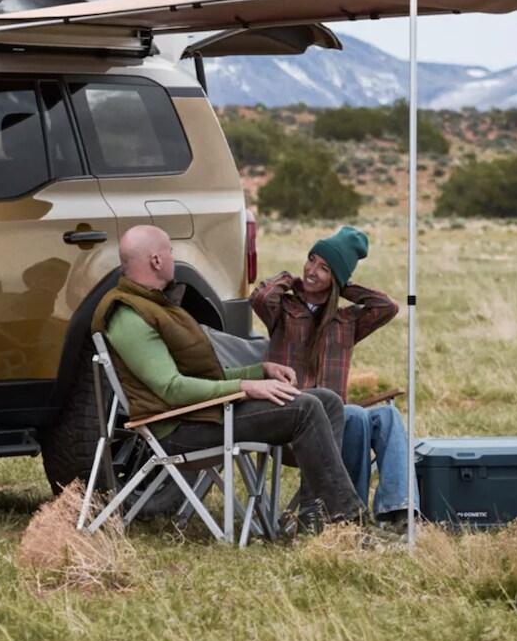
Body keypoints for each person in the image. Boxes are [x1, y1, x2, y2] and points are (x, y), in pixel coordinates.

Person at [96, 225, 364, 527]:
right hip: (182, 430)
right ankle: (346, 519)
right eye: (170, 251)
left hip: (204, 414)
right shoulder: (129, 316)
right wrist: (246, 387)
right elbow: (172, 389)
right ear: (156, 260)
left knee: (328, 400)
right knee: (306, 408)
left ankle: (314, 516)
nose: (173, 257)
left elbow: (201, 375)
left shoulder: (155, 305)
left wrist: (260, 371)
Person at [251, 226, 415, 530]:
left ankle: (400, 513)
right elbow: (260, 296)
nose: (311, 270)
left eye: (324, 268)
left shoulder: (345, 321)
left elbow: (387, 307)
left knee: (388, 416)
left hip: (338, 426)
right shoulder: (284, 311)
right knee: (356, 414)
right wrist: (291, 280)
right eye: (311, 260)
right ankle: (349, 518)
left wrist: (343, 286)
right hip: (292, 424)